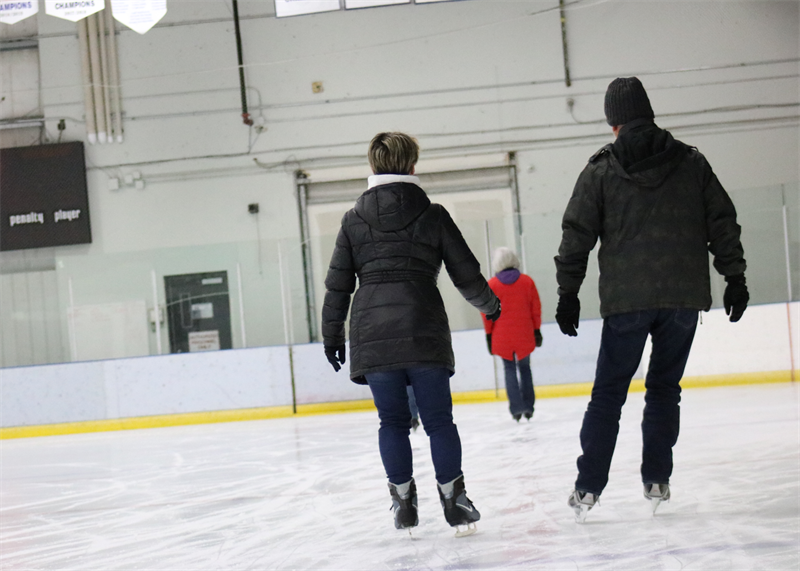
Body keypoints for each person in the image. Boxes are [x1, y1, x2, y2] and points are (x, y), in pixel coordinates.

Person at [554, 77, 748, 522]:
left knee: (608, 395)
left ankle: (588, 489)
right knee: (664, 389)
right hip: (683, 298)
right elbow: (722, 220)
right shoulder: (691, 162)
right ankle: (657, 478)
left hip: (626, 301)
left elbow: (576, 235)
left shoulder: (600, 170)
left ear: (613, 122)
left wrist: (569, 292)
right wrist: (733, 276)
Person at [322, 132, 501, 535]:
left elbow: (338, 287)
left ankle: (403, 503)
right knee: (439, 421)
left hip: (372, 335)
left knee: (392, 422)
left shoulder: (353, 220)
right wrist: (491, 306)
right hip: (423, 331)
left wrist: (332, 336)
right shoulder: (433, 214)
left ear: (372, 167)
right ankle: (454, 500)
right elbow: (466, 274)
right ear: (413, 166)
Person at [482, 247, 543, 422]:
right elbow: (535, 308)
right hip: (524, 333)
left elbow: (487, 313)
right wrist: (536, 330)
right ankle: (529, 407)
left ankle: (516, 409)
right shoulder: (527, 282)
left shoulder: (492, 285)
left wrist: (489, 335)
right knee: (525, 368)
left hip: (502, 335)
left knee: (509, 369)